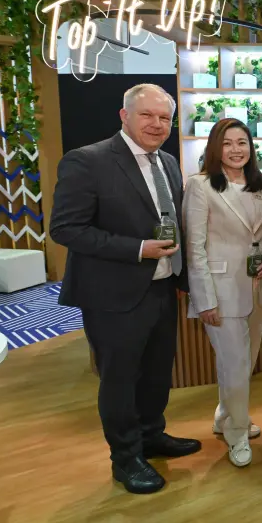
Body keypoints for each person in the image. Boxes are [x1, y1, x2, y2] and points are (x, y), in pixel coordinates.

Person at [49, 83, 201, 495]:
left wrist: (182, 277)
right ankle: (125, 457)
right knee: (119, 379)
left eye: (164, 117)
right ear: (124, 116)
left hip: (161, 288)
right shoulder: (87, 161)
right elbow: (65, 229)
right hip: (113, 295)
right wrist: (138, 250)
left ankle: (151, 436)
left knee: (155, 373)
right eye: (147, 115)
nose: (156, 124)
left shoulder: (168, 162)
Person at [184, 118, 262, 467]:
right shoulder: (200, 186)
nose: (236, 149)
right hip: (221, 291)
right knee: (236, 364)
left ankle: (225, 416)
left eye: (243, 142)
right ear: (215, 147)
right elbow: (194, 247)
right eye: (228, 143)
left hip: (257, 287)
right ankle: (238, 432)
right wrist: (205, 299)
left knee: (243, 362)